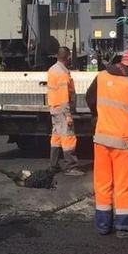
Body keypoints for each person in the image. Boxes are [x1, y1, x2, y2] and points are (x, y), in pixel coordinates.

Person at [85, 49, 128, 238]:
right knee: (123, 185)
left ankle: (103, 225)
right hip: (122, 143)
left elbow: (90, 98)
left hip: (101, 139)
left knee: (102, 183)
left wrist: (98, 116)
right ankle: (123, 226)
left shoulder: (102, 76)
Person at [46, 46, 83, 176]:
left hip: (54, 109)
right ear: (68, 58)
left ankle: (53, 164)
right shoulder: (62, 73)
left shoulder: (53, 69)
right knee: (68, 138)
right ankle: (70, 166)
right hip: (62, 110)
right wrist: (68, 114)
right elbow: (63, 96)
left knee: (56, 137)